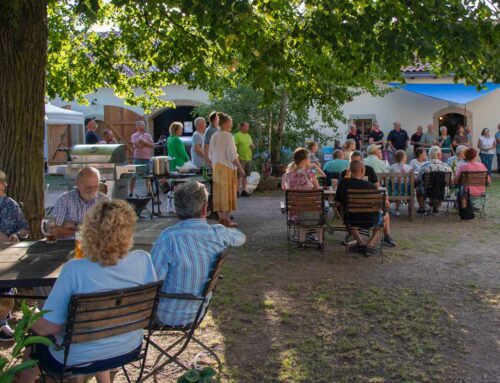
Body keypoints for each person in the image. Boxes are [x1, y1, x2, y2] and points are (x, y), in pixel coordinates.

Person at [18, 200, 157, 383]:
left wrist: (30, 319)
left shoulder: (75, 270)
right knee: (92, 331)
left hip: (76, 357)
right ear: (128, 231)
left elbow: (49, 327)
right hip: (128, 347)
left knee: (34, 342)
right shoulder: (143, 260)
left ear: (88, 232)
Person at [151, 181, 245, 327]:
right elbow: (240, 238)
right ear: (204, 209)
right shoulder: (218, 233)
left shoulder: (168, 239)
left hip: (166, 315)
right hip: (198, 311)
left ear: (176, 210)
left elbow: (153, 284)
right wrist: (223, 229)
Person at [334, 160, 395, 256]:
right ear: (362, 171)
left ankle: (361, 243)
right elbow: (386, 205)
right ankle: (369, 245)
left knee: (349, 217)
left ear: (350, 170)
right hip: (371, 220)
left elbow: (337, 203)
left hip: (350, 219)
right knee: (385, 215)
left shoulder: (342, 183)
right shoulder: (370, 186)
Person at [0, 170, 28, 341]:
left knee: (6, 284)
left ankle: (2, 320)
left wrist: (16, 235)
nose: (2, 186)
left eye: (2, 182)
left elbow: (24, 228)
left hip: (9, 254)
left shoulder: (11, 204)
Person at [51, 167, 110, 239]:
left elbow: (111, 231)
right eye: (88, 188)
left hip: (96, 248)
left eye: (96, 187)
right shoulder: (65, 200)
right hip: (67, 247)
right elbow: (52, 230)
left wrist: (76, 226)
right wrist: (81, 233)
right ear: (78, 184)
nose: (93, 191)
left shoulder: (105, 201)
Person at [209, 113, 246, 227]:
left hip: (216, 168)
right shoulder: (228, 136)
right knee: (228, 194)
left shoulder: (214, 136)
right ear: (225, 123)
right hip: (226, 168)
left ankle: (222, 220)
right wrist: (240, 168)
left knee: (219, 194)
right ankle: (227, 220)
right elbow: (232, 155)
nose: (232, 124)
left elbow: (210, 154)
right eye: (230, 122)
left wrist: (215, 163)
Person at [281, 148, 325, 244]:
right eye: (309, 158)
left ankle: (302, 239)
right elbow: (318, 190)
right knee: (322, 208)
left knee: (304, 207)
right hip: (310, 212)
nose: (310, 160)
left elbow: (286, 190)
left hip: (294, 213)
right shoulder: (311, 172)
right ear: (304, 160)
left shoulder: (286, 175)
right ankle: (320, 241)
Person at [416, 146, 452, 214]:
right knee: (440, 187)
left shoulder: (425, 166)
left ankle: (422, 207)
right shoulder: (447, 167)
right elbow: (451, 181)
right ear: (439, 155)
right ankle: (436, 208)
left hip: (427, 192)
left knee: (419, 188)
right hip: (443, 192)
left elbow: (418, 179)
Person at [129, 121, 155, 197]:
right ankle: (131, 192)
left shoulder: (148, 135)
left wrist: (143, 142)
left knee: (148, 176)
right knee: (134, 176)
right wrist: (147, 144)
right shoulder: (134, 136)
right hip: (138, 158)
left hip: (147, 158)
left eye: (144, 125)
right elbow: (138, 146)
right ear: (137, 126)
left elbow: (153, 145)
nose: (144, 126)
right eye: (142, 125)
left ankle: (149, 192)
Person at [234, 122, 256, 197]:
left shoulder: (248, 136)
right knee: (238, 175)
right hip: (240, 158)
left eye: (248, 127)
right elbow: (234, 146)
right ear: (242, 127)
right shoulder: (237, 135)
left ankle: (244, 190)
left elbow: (252, 146)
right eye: (246, 127)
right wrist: (236, 156)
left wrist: (252, 146)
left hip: (248, 158)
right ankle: (236, 191)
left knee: (245, 175)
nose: (247, 128)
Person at [389, 150, 412, 216]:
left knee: (395, 188)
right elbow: (412, 178)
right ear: (404, 158)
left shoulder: (392, 167)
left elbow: (389, 177)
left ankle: (397, 210)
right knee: (411, 189)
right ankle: (410, 210)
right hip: (405, 189)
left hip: (394, 190)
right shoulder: (409, 167)